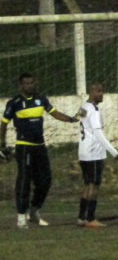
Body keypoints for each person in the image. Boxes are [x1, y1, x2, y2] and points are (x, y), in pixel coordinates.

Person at [1, 72, 79, 229]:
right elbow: (4, 124)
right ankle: (21, 217)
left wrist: (71, 119)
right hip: (24, 146)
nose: (30, 86)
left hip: (40, 147)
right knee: (24, 181)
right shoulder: (14, 103)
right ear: (21, 85)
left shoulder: (41, 99)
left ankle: (34, 210)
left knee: (45, 180)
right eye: (26, 83)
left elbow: (54, 113)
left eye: (32, 83)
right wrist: (2, 144)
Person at [76, 82, 118, 229]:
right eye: (98, 91)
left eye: (102, 91)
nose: (101, 94)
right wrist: (113, 151)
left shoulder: (84, 106)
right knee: (94, 186)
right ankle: (90, 218)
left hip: (83, 152)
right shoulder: (94, 111)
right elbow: (98, 133)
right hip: (93, 153)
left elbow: (78, 118)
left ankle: (81, 217)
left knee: (88, 185)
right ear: (91, 92)